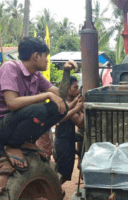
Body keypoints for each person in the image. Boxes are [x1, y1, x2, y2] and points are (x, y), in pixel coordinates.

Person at [0, 36, 77, 194]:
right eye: (46, 57)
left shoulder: (36, 75)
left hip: (17, 124)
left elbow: (62, 95)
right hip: (3, 124)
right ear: (36, 56)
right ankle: (12, 145)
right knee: (39, 110)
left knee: (61, 108)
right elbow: (12, 103)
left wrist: (66, 72)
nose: (47, 61)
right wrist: (45, 96)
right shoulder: (10, 67)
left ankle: (25, 141)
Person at [54, 76, 84, 183]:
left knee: (64, 174)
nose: (77, 90)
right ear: (68, 89)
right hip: (64, 143)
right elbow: (80, 123)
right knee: (62, 174)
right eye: (75, 88)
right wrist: (83, 108)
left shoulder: (70, 102)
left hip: (67, 141)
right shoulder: (66, 104)